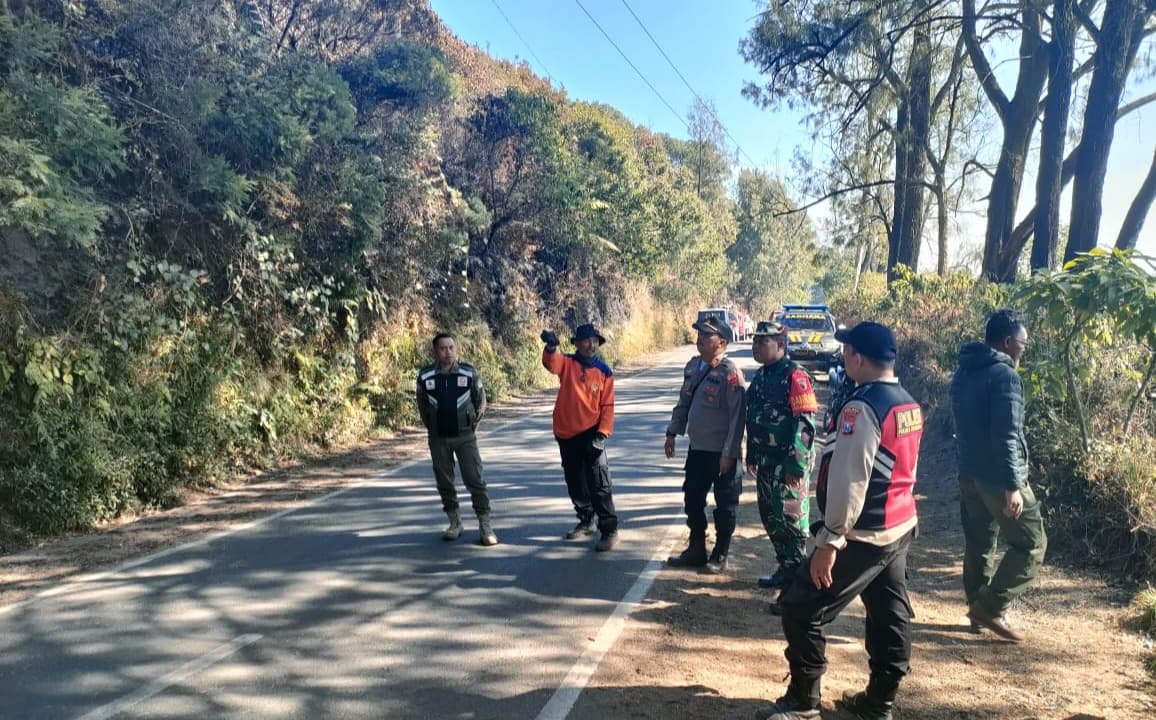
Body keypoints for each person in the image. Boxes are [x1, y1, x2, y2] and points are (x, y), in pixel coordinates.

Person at [762, 322, 921, 720]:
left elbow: (852, 477)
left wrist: (829, 540)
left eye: (848, 350)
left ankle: (803, 701)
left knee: (800, 606)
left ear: (858, 357)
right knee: (889, 612)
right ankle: (879, 702)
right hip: (898, 526)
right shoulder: (907, 402)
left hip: (863, 533)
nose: (845, 356)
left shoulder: (861, 407)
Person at [950, 308, 1047, 644]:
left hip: (969, 473)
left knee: (979, 542)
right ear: (1007, 342)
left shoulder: (964, 370)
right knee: (1033, 543)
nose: (1024, 349)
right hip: (997, 478)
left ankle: (978, 608)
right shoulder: (1006, 377)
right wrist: (1013, 485)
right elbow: (1006, 434)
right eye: (1022, 343)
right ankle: (990, 607)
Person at [664, 314, 746, 574]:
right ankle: (696, 548)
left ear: (721, 342)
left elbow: (738, 417)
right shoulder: (693, 367)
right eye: (698, 334)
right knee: (692, 499)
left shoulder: (730, 373)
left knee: (725, 505)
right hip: (698, 449)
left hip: (722, 453)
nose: (700, 339)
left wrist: (729, 453)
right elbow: (684, 403)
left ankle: (720, 553)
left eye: (706, 335)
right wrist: (672, 432)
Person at [745, 320, 819, 607]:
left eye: (763, 342)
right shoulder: (762, 377)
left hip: (786, 466)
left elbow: (805, 426)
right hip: (765, 462)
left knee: (791, 525)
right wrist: (752, 452)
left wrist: (796, 468)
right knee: (771, 518)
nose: (757, 347)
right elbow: (754, 417)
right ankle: (785, 569)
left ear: (781, 345)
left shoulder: (795, 376)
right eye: (755, 342)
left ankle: (797, 592)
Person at [541, 323, 619, 551]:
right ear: (576, 343)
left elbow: (608, 406)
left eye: (594, 340)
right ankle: (586, 520)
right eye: (586, 340)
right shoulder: (567, 363)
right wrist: (551, 347)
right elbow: (550, 363)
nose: (591, 344)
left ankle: (609, 529)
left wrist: (602, 434)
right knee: (575, 481)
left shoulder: (604, 372)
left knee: (599, 483)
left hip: (592, 433)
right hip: (566, 433)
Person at [416, 332, 498, 546]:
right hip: (438, 438)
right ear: (435, 351)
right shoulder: (425, 376)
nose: (448, 352)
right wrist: (433, 427)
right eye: (443, 348)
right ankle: (455, 522)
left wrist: (470, 426)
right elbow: (422, 406)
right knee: (444, 481)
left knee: (475, 480)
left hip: (465, 437)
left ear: (456, 349)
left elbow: (480, 403)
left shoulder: (468, 373)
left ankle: (485, 524)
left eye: (451, 347)